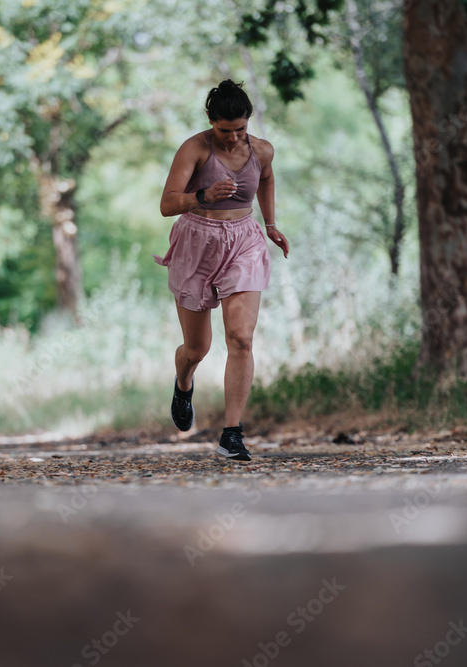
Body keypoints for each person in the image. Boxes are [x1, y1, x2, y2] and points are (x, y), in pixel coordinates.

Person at [154, 79, 290, 462]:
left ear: (249, 122)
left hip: (244, 241)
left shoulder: (262, 150)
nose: (233, 138)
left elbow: (265, 178)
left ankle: (232, 434)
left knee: (241, 338)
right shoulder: (194, 149)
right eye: (224, 130)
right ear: (211, 122)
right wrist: (202, 196)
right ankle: (184, 382)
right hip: (197, 241)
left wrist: (271, 224)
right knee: (198, 348)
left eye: (240, 129)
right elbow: (166, 205)